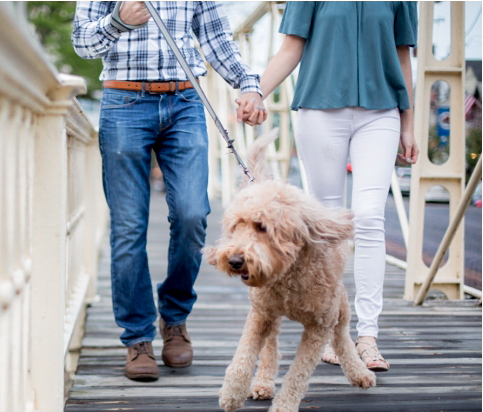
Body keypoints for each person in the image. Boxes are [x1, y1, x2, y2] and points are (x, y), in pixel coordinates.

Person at [72, 1, 266, 381]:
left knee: (194, 213)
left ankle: (174, 318)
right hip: (124, 100)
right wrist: (117, 22)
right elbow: (82, 42)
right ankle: (138, 337)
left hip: (185, 101)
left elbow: (216, 39)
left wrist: (248, 85)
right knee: (128, 226)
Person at [244, 1, 419, 371]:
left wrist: (408, 122)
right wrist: (255, 92)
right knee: (328, 222)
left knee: (370, 216)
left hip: (381, 111)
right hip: (321, 111)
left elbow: (402, 53)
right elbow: (291, 48)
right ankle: (332, 327)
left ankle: (367, 336)